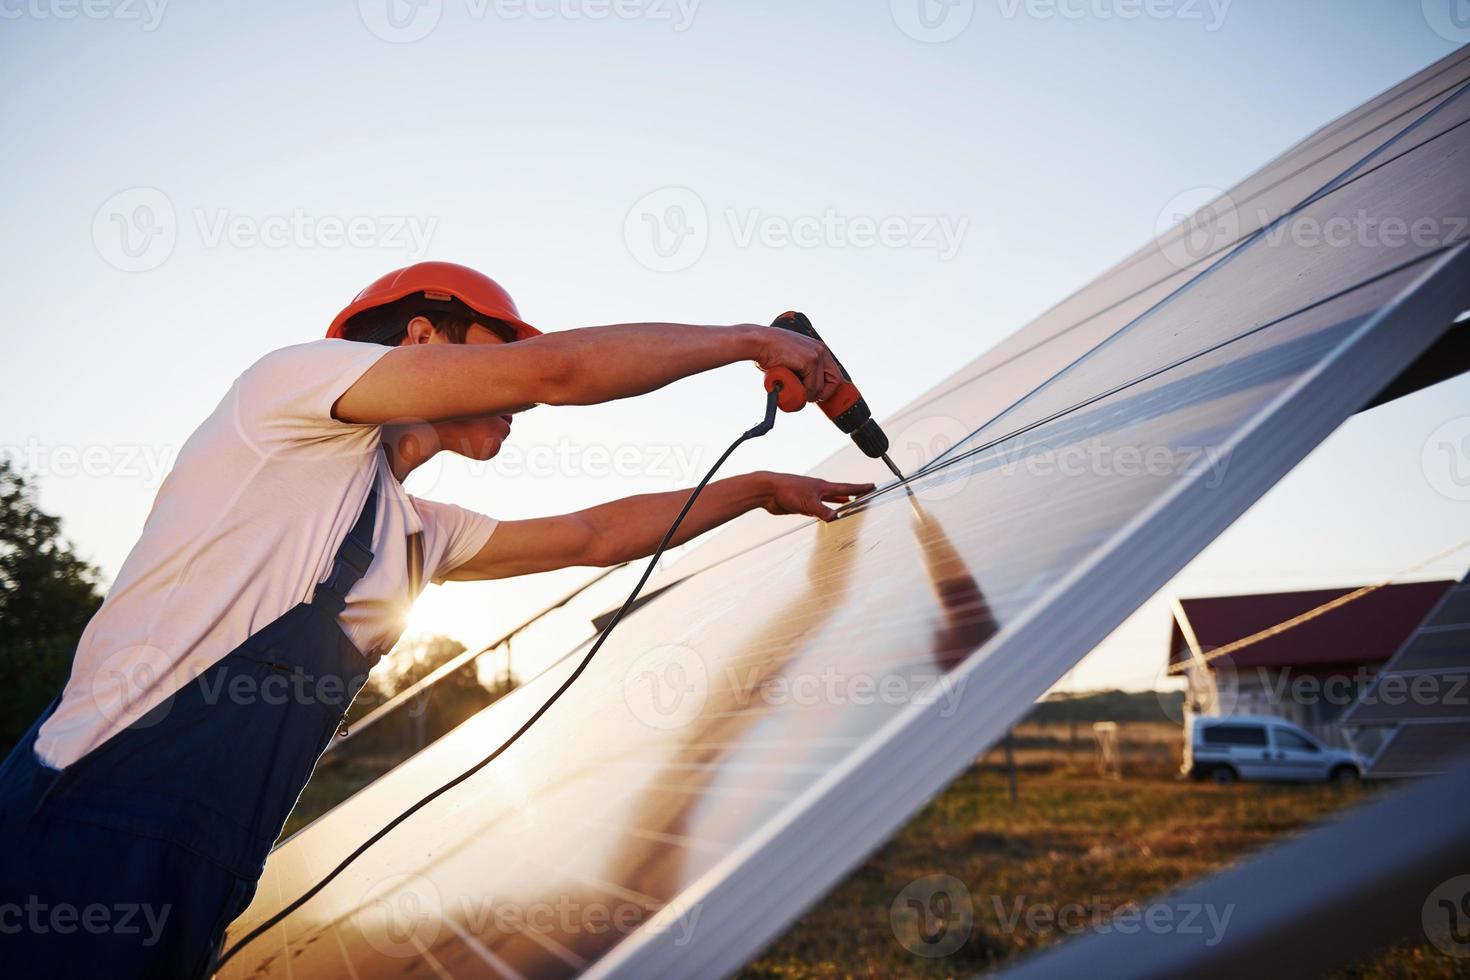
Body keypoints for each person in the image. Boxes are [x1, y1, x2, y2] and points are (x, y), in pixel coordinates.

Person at [0, 261, 873, 978]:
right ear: (424, 336)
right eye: (501, 350)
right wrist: (751, 343)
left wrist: (762, 488)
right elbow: (558, 372)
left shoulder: (414, 533)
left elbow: (597, 535)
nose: (521, 392)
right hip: (81, 824)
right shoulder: (288, 390)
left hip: (202, 876)